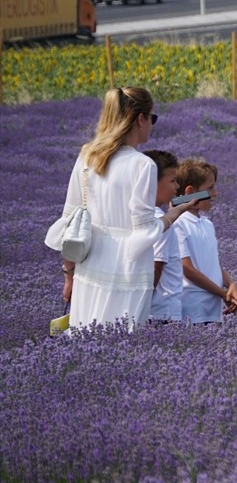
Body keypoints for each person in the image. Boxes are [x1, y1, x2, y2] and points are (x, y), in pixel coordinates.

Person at [44, 87, 198, 331]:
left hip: (89, 271)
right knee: (123, 348)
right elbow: (144, 231)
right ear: (140, 119)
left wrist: (69, 276)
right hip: (128, 274)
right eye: (152, 118)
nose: (151, 125)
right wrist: (172, 215)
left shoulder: (87, 156)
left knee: (86, 342)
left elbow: (70, 221)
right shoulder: (142, 165)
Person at [175, 157, 237, 323]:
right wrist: (222, 293)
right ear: (191, 193)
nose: (215, 193)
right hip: (192, 308)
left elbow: (214, 264)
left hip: (211, 308)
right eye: (210, 188)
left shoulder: (207, 224)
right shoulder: (178, 224)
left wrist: (231, 284)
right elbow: (187, 269)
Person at [144, 149, 184, 321]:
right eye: (173, 181)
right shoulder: (161, 222)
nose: (177, 187)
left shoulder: (136, 216)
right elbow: (156, 266)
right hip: (163, 311)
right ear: (152, 183)